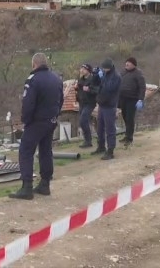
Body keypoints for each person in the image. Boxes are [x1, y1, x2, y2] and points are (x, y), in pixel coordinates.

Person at [9, 53, 64, 200]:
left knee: (26, 150)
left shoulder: (33, 80)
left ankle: (27, 186)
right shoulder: (56, 78)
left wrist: (25, 120)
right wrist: (55, 114)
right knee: (46, 151)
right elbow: (61, 100)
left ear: (34, 64)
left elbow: (28, 103)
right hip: (51, 120)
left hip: (37, 122)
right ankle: (45, 184)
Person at [92, 58, 122, 160]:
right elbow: (97, 86)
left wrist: (102, 79)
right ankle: (101, 146)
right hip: (102, 104)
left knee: (110, 129)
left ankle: (110, 150)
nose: (104, 70)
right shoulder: (104, 74)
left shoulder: (116, 77)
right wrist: (96, 75)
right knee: (100, 128)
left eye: (105, 69)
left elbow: (109, 89)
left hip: (110, 105)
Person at [119, 57, 146, 148]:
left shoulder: (138, 74)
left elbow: (142, 87)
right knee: (124, 115)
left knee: (130, 118)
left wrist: (140, 99)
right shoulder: (123, 72)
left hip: (132, 99)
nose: (126, 64)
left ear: (134, 64)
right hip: (123, 98)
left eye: (129, 63)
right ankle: (127, 134)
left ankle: (129, 138)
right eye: (126, 63)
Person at [75, 63, 100, 148]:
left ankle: (88, 140)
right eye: (81, 68)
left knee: (83, 120)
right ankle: (87, 140)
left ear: (88, 71)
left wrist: (89, 89)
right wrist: (76, 92)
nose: (82, 70)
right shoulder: (80, 79)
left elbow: (97, 90)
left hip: (90, 103)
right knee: (82, 122)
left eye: (84, 69)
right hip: (82, 102)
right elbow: (79, 91)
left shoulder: (93, 79)